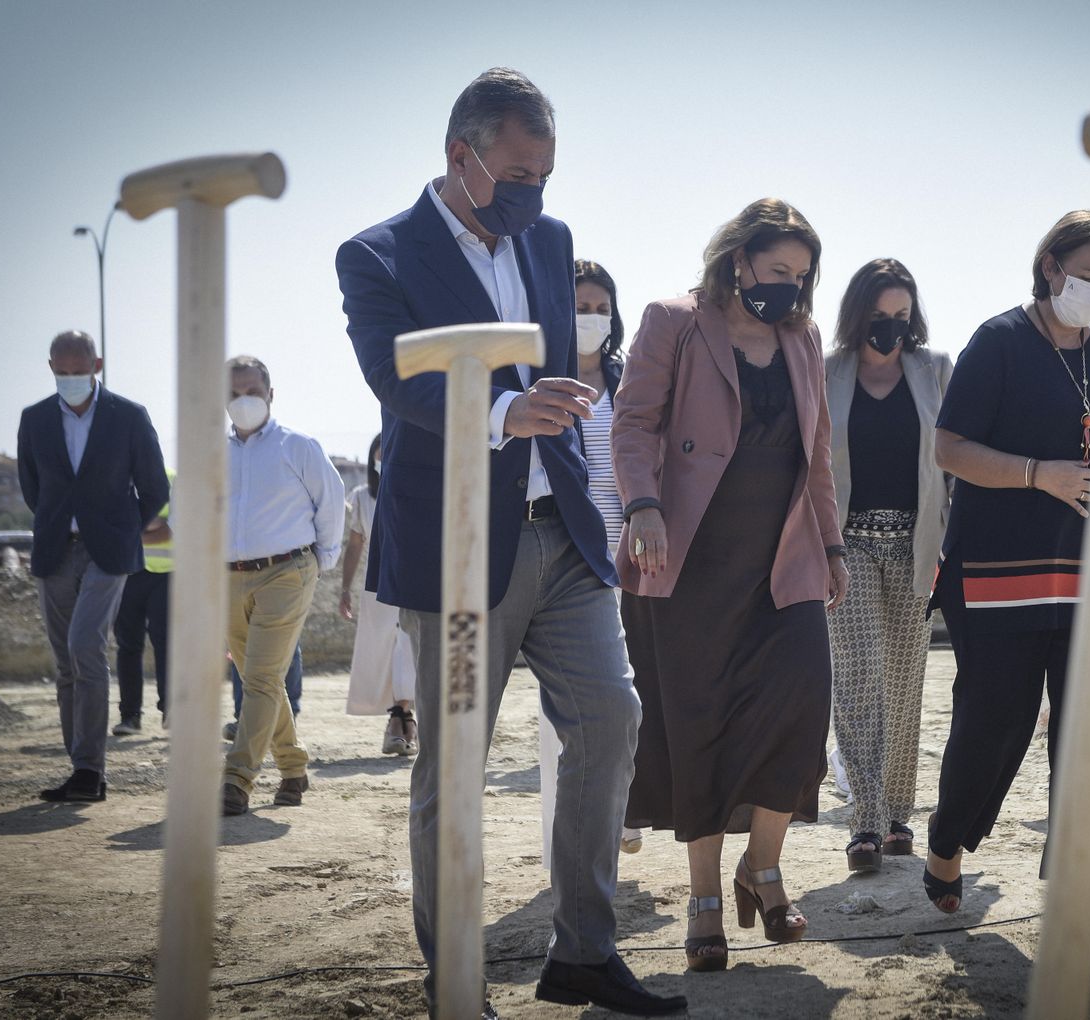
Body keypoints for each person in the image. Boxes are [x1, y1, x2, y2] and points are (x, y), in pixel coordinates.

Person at [336, 67, 682, 1018]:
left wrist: (558, 430)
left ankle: (584, 954)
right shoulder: (379, 255)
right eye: (522, 172)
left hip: (563, 538)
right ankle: (454, 979)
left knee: (610, 722)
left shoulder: (551, 239)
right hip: (454, 557)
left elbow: (559, 373)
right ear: (462, 156)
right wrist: (501, 411)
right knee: (454, 767)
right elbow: (394, 378)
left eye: (549, 172)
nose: (538, 193)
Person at [613, 198, 848, 973]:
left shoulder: (804, 337)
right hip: (685, 562)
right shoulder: (672, 320)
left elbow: (816, 455)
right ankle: (706, 898)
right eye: (777, 270)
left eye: (801, 276)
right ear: (739, 258)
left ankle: (766, 864)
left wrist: (834, 544)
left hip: (785, 563)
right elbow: (634, 424)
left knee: (801, 706)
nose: (789, 286)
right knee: (698, 728)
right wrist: (642, 505)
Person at [925, 210, 1090, 956]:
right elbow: (949, 449)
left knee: (1087, 737)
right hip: (996, 575)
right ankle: (947, 847)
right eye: (1089, 275)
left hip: (1086, 573)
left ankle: (1081, 894)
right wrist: (1036, 476)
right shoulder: (998, 342)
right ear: (1051, 266)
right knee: (995, 727)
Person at [823, 259, 952, 872]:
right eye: (880, 317)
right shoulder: (827, 373)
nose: (892, 328)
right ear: (858, 316)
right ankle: (865, 821)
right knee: (858, 679)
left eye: (902, 316)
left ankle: (899, 812)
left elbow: (951, 465)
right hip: (845, 549)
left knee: (904, 682)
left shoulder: (935, 371)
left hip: (915, 547)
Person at [16, 330, 169, 802]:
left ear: (96, 366)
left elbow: (155, 489)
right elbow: (32, 488)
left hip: (110, 554)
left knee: (86, 645)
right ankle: (82, 771)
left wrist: (123, 529)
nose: (70, 380)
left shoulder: (129, 416)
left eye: (78, 372)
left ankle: (89, 767)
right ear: (50, 369)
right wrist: (60, 525)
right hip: (55, 552)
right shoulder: (35, 419)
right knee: (66, 662)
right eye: (61, 373)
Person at [535, 259, 645, 858]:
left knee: (629, 701)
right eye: (581, 306)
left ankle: (625, 812)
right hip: (566, 566)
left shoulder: (630, 383)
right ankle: (570, 848)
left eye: (602, 308)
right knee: (566, 713)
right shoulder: (539, 383)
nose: (591, 318)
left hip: (631, 563)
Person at [219, 355, 344, 817]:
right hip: (227, 576)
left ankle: (237, 779)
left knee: (264, 677)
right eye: (235, 393)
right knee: (259, 679)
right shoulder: (211, 453)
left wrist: (321, 560)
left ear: (270, 394)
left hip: (288, 571)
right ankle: (293, 768)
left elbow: (330, 502)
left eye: (253, 391)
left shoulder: (298, 446)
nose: (244, 400)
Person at [340, 434, 419, 756]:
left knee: (407, 649)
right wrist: (344, 588)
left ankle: (401, 719)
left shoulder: (416, 490)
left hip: (415, 580)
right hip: (378, 584)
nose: (383, 458)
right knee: (382, 654)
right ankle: (402, 720)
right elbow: (355, 544)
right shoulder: (362, 497)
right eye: (379, 452)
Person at [112, 469, 173, 734]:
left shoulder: (173, 480)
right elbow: (108, 525)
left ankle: (171, 712)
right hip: (127, 573)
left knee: (166, 644)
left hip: (168, 574)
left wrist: (130, 530)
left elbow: (169, 531)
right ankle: (130, 717)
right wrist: (150, 526)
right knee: (127, 646)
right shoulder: (113, 479)